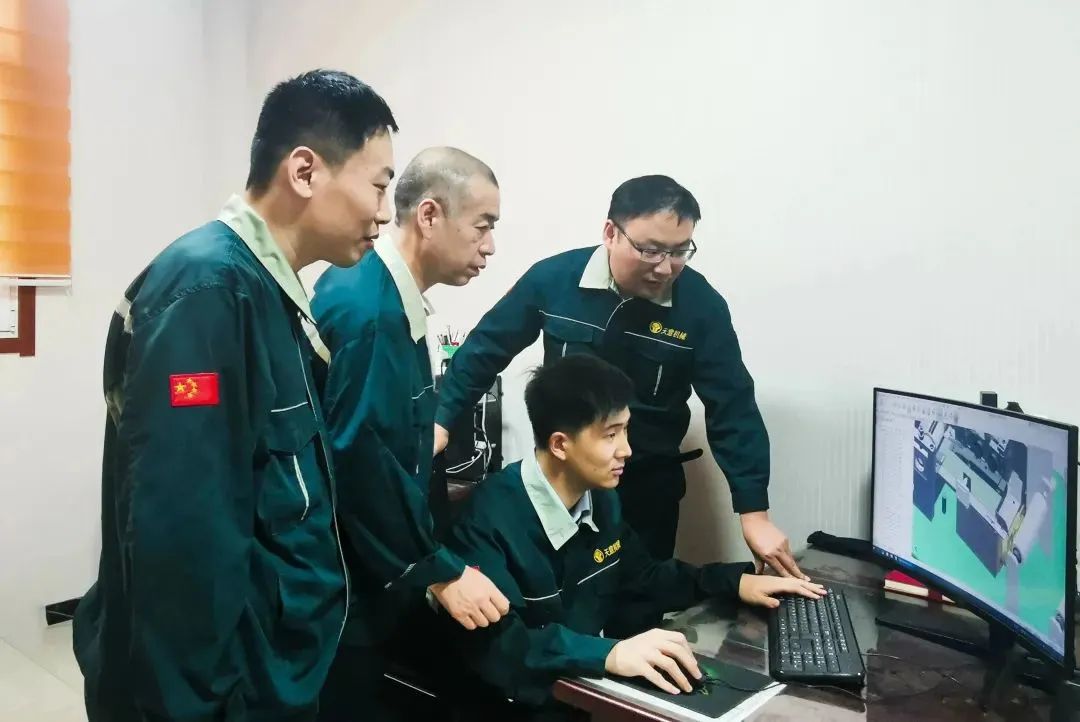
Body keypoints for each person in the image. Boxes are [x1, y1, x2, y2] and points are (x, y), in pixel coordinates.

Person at [72, 69, 398, 722]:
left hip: (269, 670)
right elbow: (182, 542)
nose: (385, 212)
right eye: (379, 184)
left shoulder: (265, 289)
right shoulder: (210, 291)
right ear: (304, 172)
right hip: (227, 692)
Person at [434, 174, 804, 636]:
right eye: (651, 250)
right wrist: (441, 420)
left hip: (647, 491)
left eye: (680, 251)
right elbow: (484, 350)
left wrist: (754, 514)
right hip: (567, 487)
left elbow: (733, 407)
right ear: (611, 232)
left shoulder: (700, 306)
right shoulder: (554, 280)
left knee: (639, 621)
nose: (665, 267)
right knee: (557, 617)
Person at [441, 355, 825, 716]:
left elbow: (645, 577)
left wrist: (736, 581)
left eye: (625, 430)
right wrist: (609, 654)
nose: (626, 449)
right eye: (610, 434)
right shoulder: (489, 518)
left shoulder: (601, 498)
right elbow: (503, 647)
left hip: (579, 692)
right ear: (560, 444)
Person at [311, 147, 508, 720]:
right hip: (349, 580)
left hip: (370, 564)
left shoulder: (374, 288)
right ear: (429, 215)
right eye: (483, 226)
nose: (490, 246)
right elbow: (359, 465)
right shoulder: (372, 312)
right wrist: (435, 571)